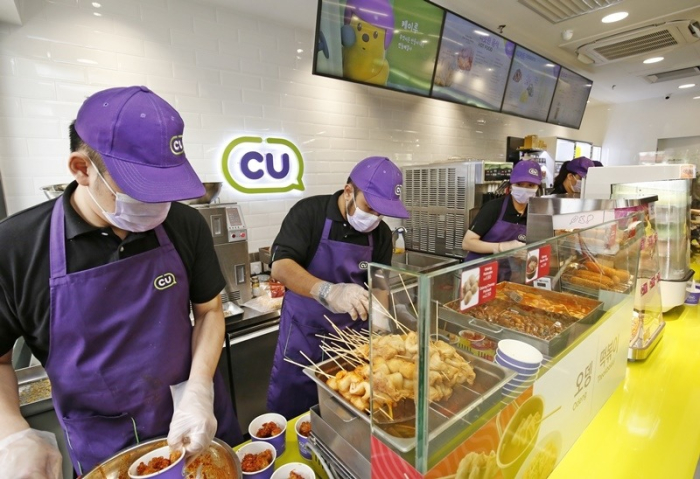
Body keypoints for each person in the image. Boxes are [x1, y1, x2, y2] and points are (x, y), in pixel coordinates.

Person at [0, 86, 242, 477]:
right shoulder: (14, 247)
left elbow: (210, 310)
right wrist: (11, 433)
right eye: (140, 190)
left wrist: (199, 387)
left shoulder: (184, 225)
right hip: (106, 450)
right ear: (81, 169)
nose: (159, 207)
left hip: (194, 425)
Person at [267, 156, 409, 419]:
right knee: (294, 412)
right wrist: (327, 291)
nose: (375, 217)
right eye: (370, 207)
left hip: (350, 341)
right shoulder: (309, 213)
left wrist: (379, 335)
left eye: (381, 212)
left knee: (346, 410)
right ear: (348, 192)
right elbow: (281, 266)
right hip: (303, 336)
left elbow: (379, 288)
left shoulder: (381, 234)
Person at [462, 160, 542, 261]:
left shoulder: (532, 214)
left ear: (537, 187)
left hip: (505, 273)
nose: (524, 189)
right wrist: (501, 247)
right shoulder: (493, 208)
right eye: (519, 184)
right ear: (511, 185)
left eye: (530, 185)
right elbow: (467, 243)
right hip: (479, 272)